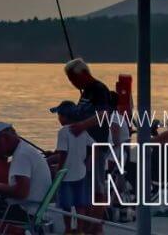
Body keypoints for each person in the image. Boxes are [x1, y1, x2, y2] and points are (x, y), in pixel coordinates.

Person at [63, 59, 114, 234]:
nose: (72, 83)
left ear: (84, 73)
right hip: (83, 148)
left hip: (96, 146)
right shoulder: (85, 92)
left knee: (97, 188)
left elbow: (104, 115)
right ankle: (93, 226)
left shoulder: (99, 89)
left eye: (73, 78)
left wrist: (82, 126)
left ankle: (95, 226)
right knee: (87, 186)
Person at [48, 101, 94, 235]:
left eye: (60, 115)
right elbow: (94, 146)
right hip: (81, 172)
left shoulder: (63, 132)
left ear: (65, 116)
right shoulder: (81, 130)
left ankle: (68, 229)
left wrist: (59, 172)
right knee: (80, 204)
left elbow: (63, 154)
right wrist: (88, 163)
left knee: (66, 205)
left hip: (66, 175)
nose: (59, 119)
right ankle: (79, 231)